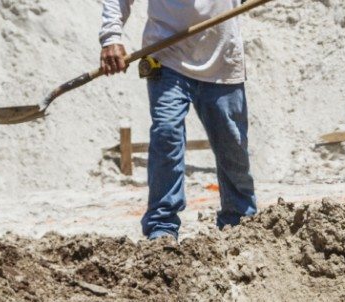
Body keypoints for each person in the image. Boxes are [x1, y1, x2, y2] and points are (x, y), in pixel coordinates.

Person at [99, 0, 257, 241]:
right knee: (166, 133)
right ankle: (162, 226)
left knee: (232, 145)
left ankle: (239, 222)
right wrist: (111, 36)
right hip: (167, 55)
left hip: (222, 57)